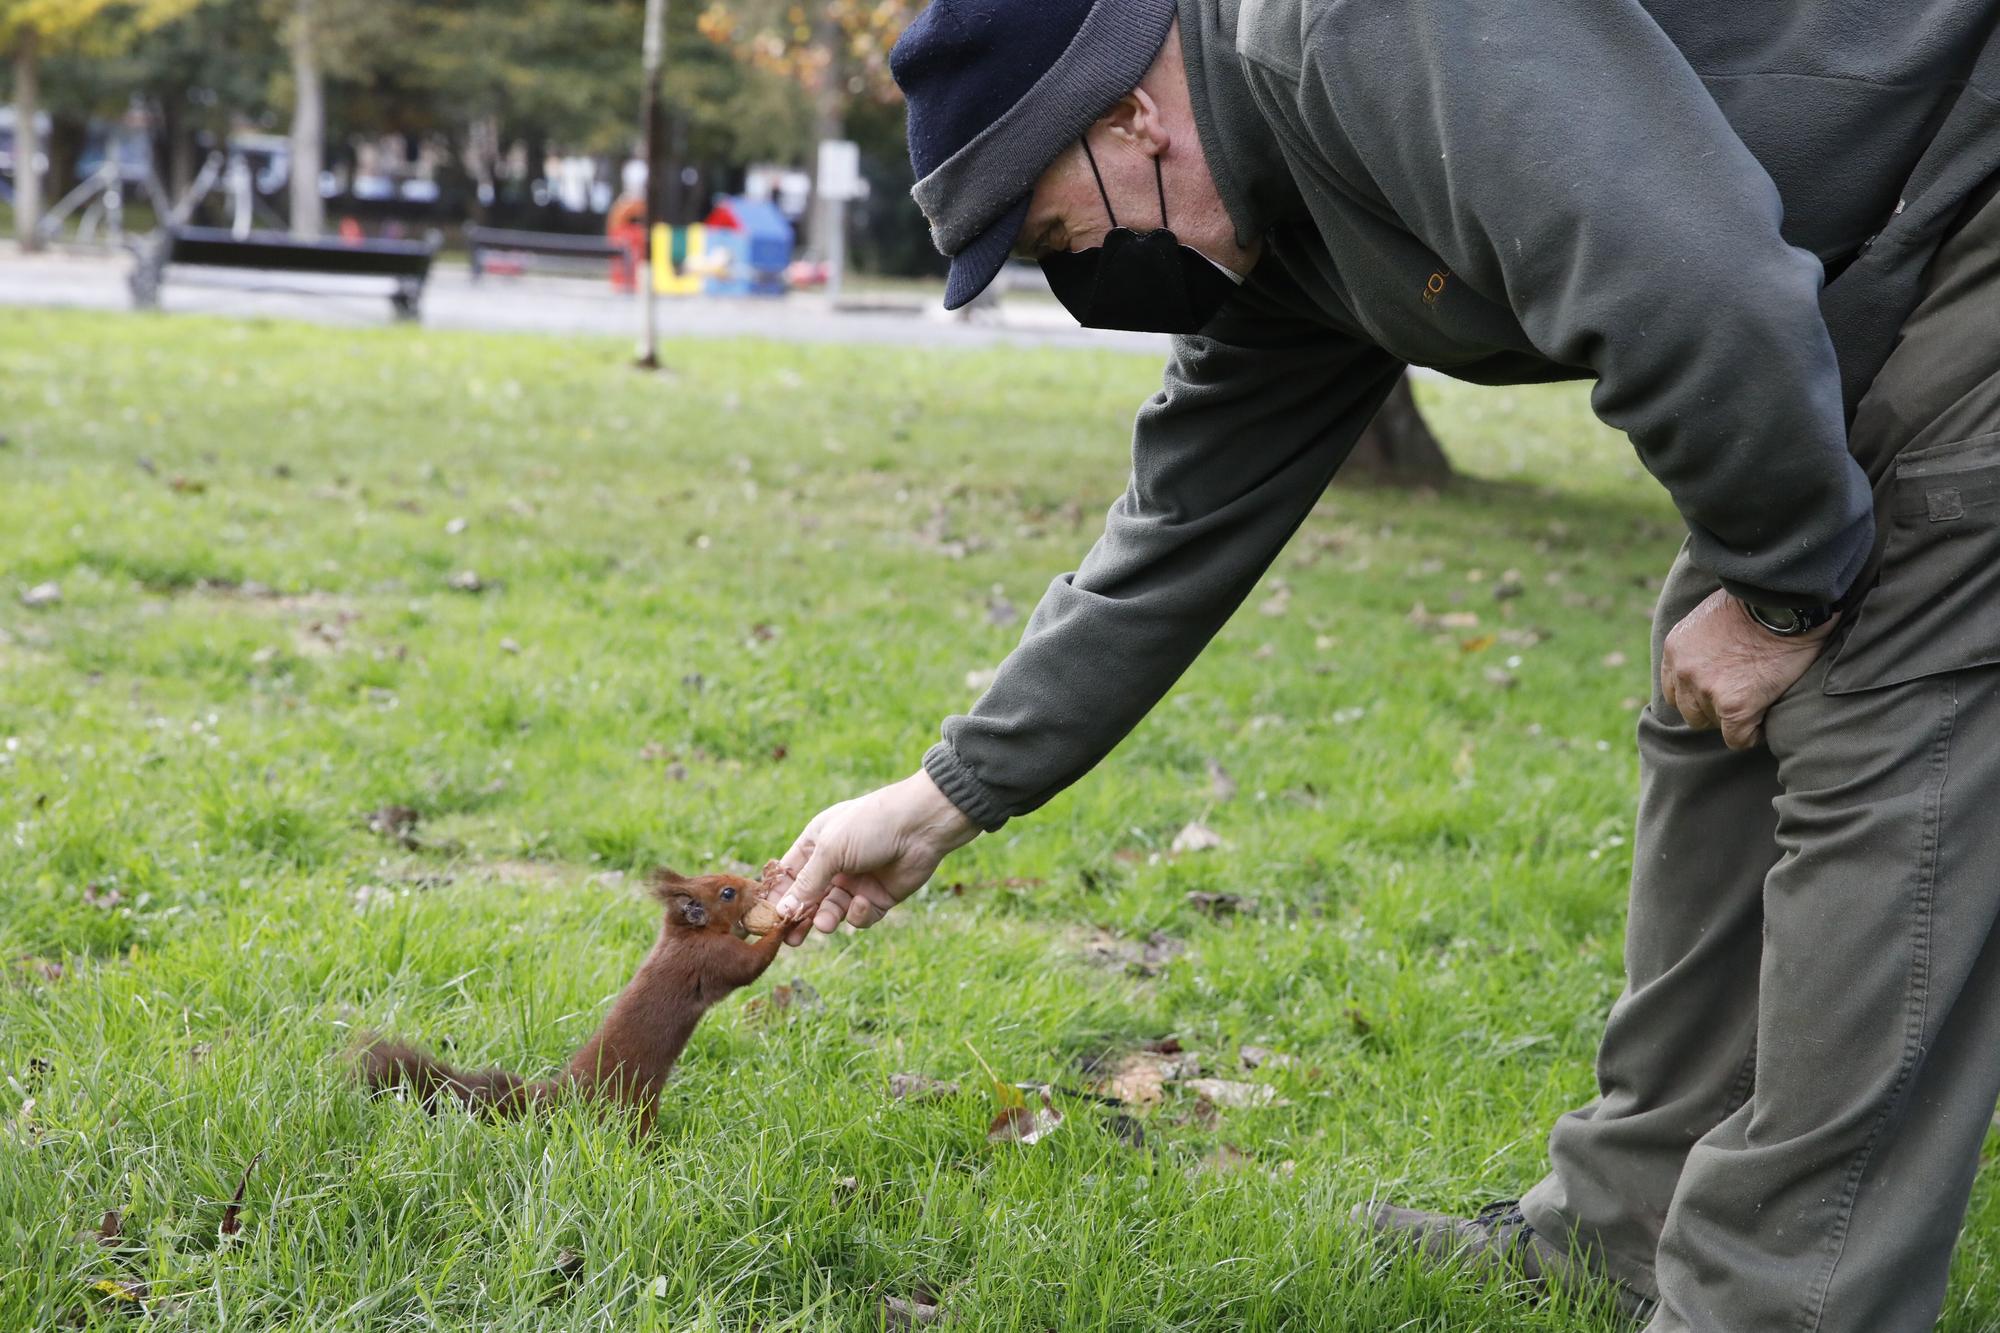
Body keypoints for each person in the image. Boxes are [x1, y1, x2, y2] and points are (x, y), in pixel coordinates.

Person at [765, 2, 2000, 1328]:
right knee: (1722, 706)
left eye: (1061, 236)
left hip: (1964, 180)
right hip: (1870, 250)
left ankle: (1777, 1299)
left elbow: (1692, 284)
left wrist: (1784, 588)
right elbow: (1184, 520)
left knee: (1880, 717)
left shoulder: (1353, 27)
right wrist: (946, 793)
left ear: (1127, 115)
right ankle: (1625, 1227)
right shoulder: (1276, 215)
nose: (1084, 287)